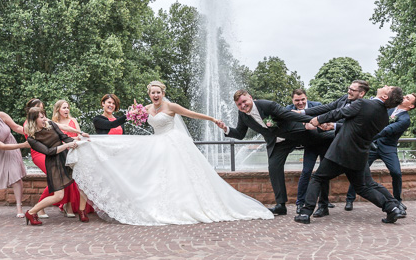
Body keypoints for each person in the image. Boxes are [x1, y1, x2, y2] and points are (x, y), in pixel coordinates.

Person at [66, 81, 274, 226]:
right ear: (149, 94)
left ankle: (186, 205)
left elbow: (191, 114)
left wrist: (212, 119)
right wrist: (90, 137)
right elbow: (122, 120)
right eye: (152, 93)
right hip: (156, 144)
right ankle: (159, 206)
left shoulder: (171, 106)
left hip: (174, 143)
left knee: (179, 177)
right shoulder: (145, 108)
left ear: (162, 93)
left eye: (158, 92)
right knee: (156, 177)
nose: (155, 95)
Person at [295, 86, 406, 225]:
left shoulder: (363, 103)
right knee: (363, 188)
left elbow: (339, 113)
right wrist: (332, 126)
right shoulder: (384, 117)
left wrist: (319, 120)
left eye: (388, 88)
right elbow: (355, 126)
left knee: (317, 178)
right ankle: (392, 208)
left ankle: (305, 213)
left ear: (385, 97)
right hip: (360, 155)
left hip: (340, 152)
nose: (385, 86)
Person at [217, 90, 333, 216]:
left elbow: (288, 115)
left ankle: (323, 205)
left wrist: (313, 121)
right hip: (278, 143)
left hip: (296, 132)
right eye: (239, 104)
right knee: (274, 167)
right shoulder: (243, 115)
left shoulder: (267, 105)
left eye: (244, 101)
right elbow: (240, 134)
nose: (243, 106)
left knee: (326, 141)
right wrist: (226, 129)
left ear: (250, 97)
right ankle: (281, 205)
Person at [294, 80, 369, 217]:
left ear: (361, 93)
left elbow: (347, 125)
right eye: (349, 88)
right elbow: (328, 108)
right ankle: (320, 206)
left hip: (341, 146)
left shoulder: (362, 107)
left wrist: (329, 125)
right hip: (324, 143)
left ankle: (392, 204)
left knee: (365, 183)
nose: (349, 91)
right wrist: (302, 112)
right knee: (319, 175)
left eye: (352, 90)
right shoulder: (344, 99)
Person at [345, 93, 416, 211]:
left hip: (388, 147)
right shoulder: (389, 108)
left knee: (396, 172)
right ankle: (349, 199)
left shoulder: (405, 119)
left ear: (411, 106)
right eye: (405, 96)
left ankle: (397, 201)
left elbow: (388, 130)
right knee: (358, 169)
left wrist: (368, 138)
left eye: (407, 98)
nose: (404, 97)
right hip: (372, 145)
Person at [23, 98, 88, 218]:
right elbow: (49, 152)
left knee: (81, 182)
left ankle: (81, 211)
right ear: (33, 120)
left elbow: (64, 137)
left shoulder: (51, 125)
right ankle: (31, 212)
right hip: (53, 162)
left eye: (44, 116)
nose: (44, 119)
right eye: (41, 117)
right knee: (58, 196)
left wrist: (82, 141)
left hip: (65, 158)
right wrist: (67, 145)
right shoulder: (32, 139)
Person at [284, 88, 334, 214]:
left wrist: (314, 125)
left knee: (324, 174)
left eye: (302, 100)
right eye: (297, 100)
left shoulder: (317, 106)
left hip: (324, 143)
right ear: (292, 100)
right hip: (310, 145)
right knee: (306, 172)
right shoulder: (288, 109)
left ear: (306, 98)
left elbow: (327, 120)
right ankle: (300, 203)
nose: (300, 103)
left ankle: (324, 204)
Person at [52, 99, 93, 217]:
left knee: (81, 178)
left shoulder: (73, 120)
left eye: (67, 107)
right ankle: (67, 205)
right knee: (67, 180)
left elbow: (79, 134)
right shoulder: (54, 123)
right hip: (63, 151)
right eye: (64, 108)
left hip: (76, 150)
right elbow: (58, 139)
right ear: (58, 109)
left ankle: (81, 208)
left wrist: (82, 138)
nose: (67, 110)